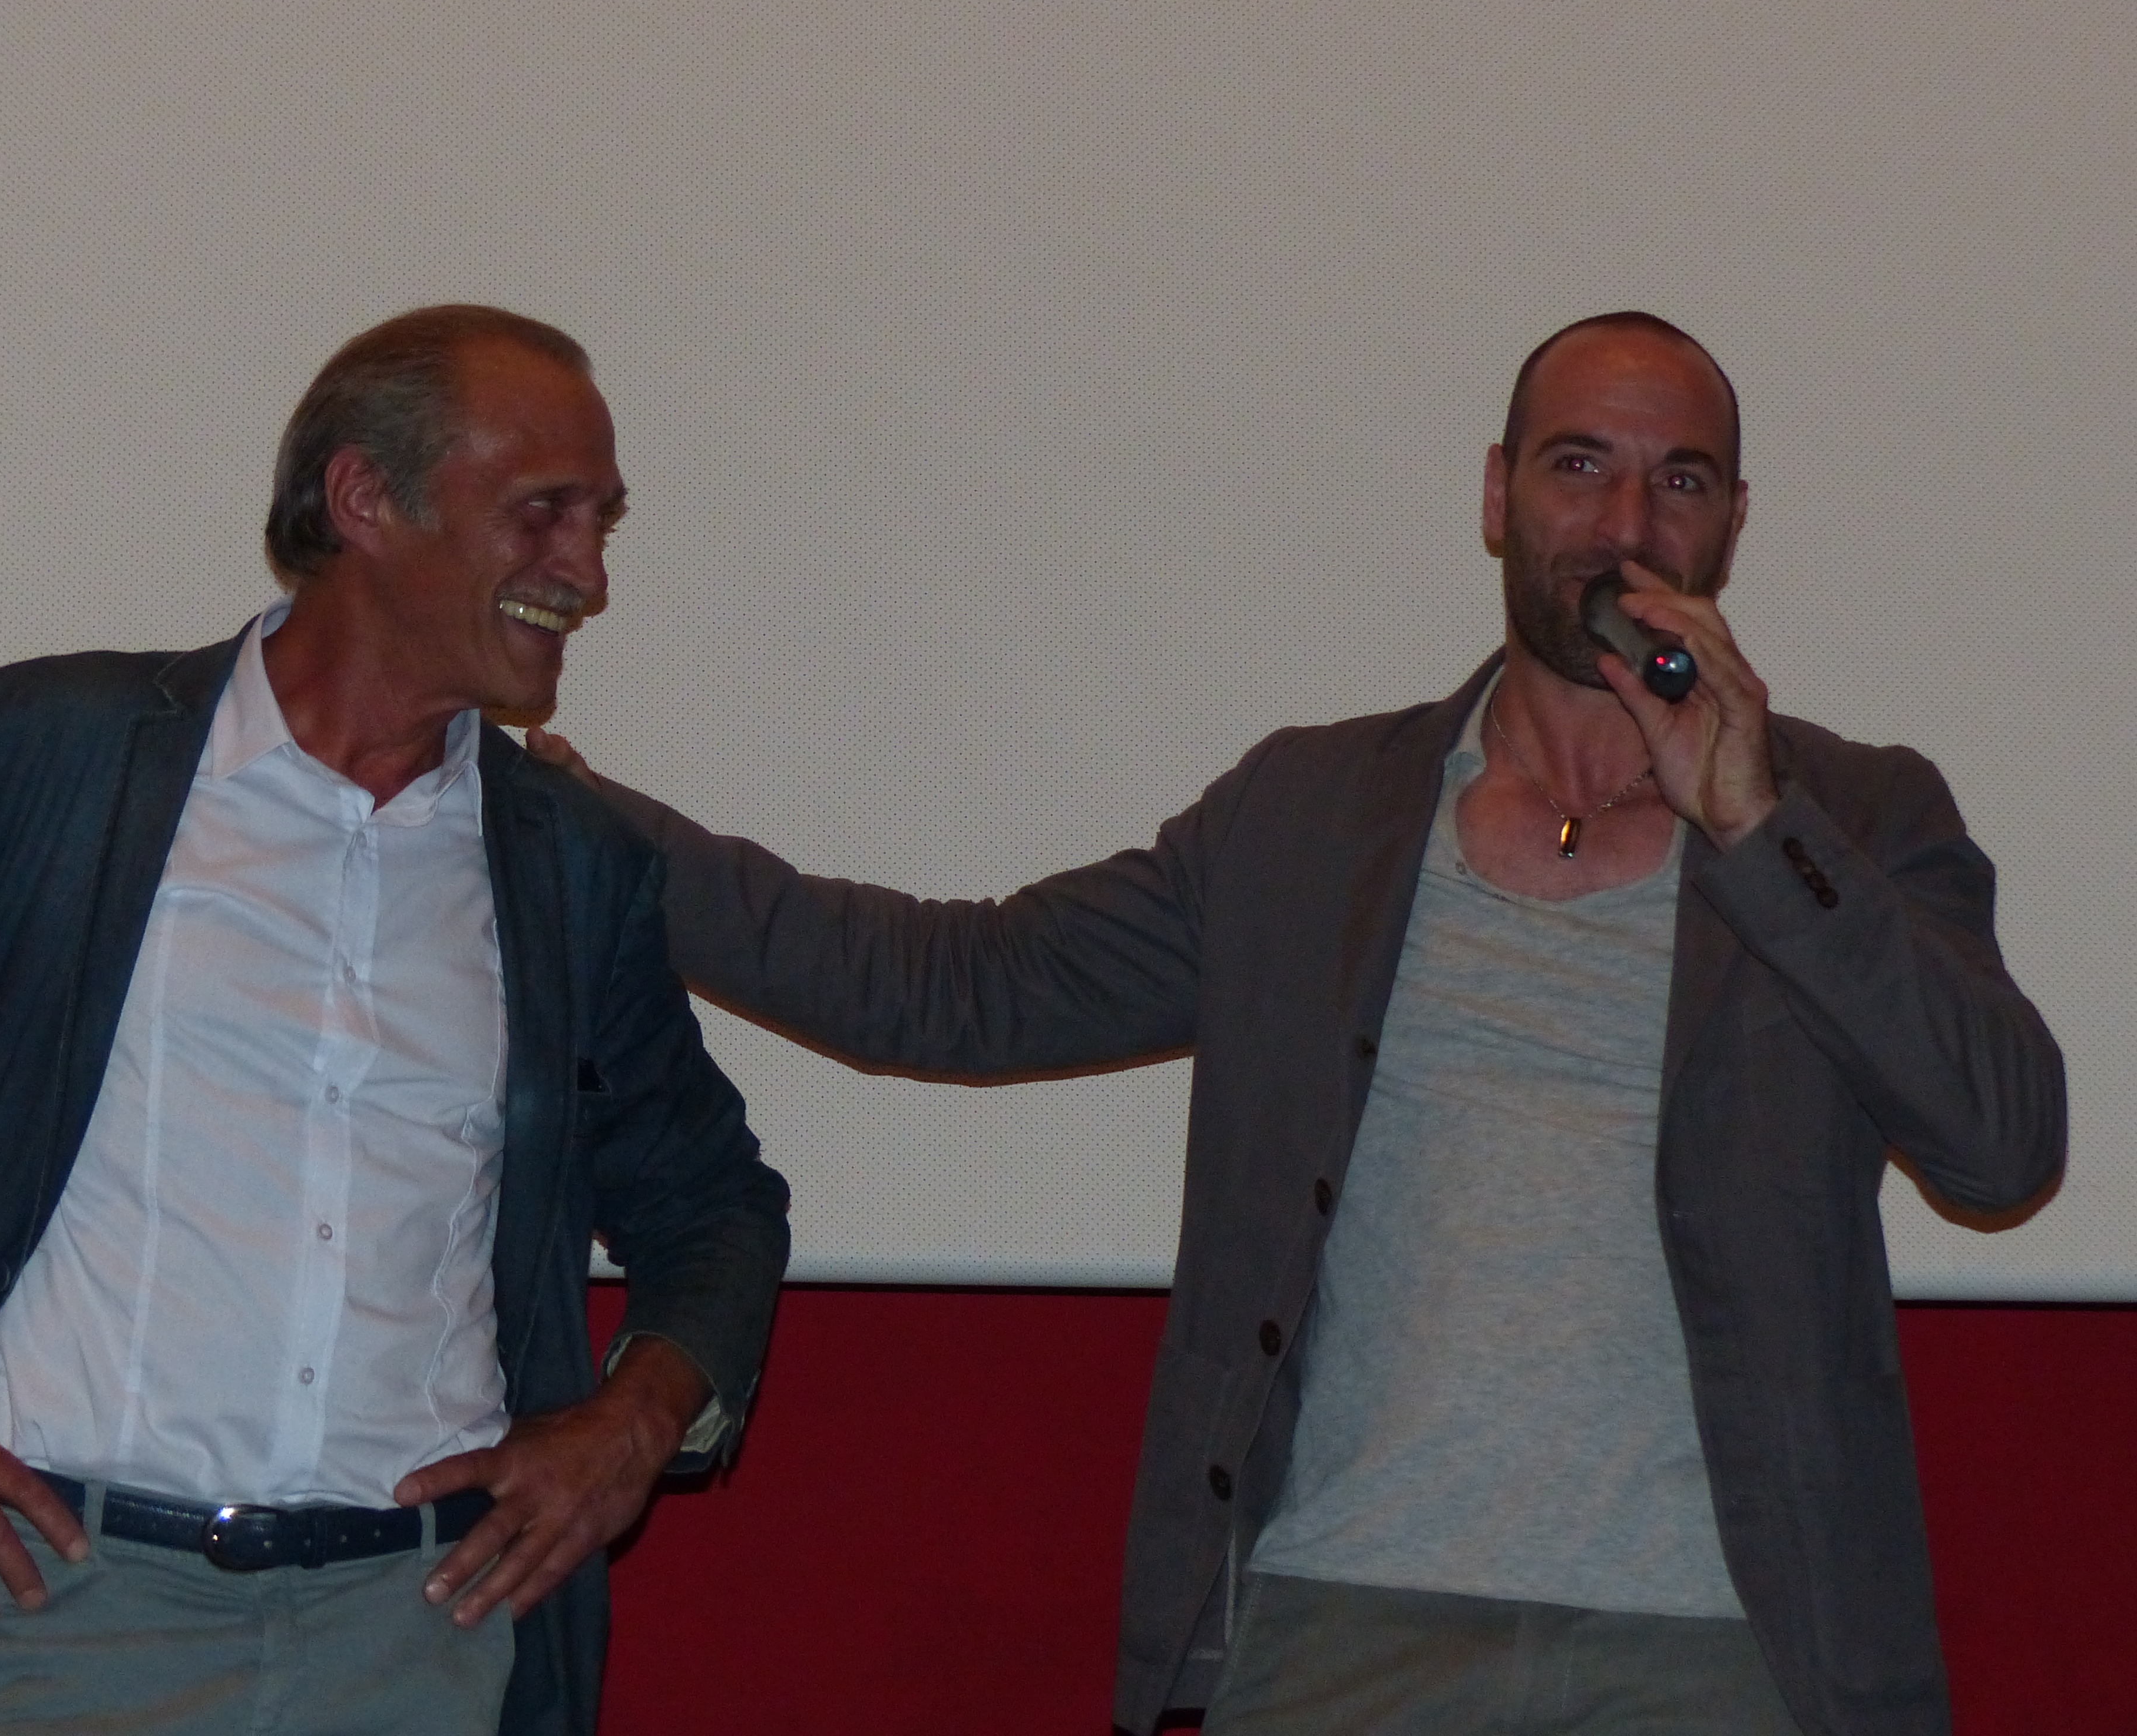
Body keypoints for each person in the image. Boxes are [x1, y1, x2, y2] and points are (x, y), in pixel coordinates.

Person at [551, 312, 2065, 1734]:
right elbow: (955, 987)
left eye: (1679, 480)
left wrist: (1757, 826)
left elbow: (2001, 1147)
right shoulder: (1314, 815)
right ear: (1498, 497)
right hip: (1346, 1621)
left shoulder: (1856, 818)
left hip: (1723, 1647)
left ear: (1732, 521)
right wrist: (600, 837)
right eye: (1579, 466)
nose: (1626, 525)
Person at [0, 304, 790, 1735]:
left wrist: (637, 1421)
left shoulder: (570, 865)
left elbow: (714, 1205)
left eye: (602, 523)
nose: (587, 574)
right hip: (46, 1612)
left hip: (417, 1635)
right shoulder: (49, 757)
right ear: (363, 499)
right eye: (543, 513)